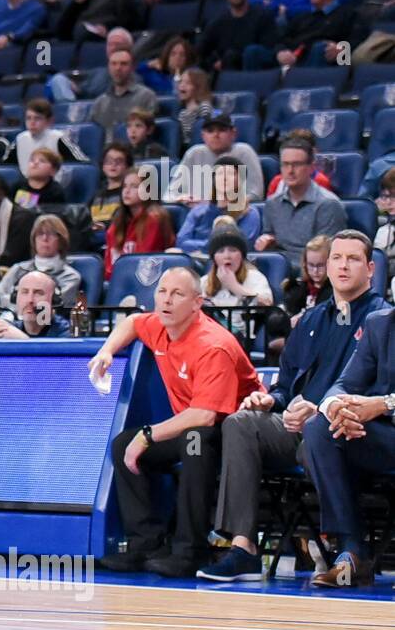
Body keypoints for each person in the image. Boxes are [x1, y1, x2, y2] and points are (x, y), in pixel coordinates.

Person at [202, 231, 388, 582]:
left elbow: (378, 392)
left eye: (352, 259)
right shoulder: (312, 320)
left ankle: (347, 547)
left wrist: (319, 410)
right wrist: (272, 400)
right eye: (336, 258)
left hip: (347, 430)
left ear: (370, 268)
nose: (343, 265)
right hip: (298, 427)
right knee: (241, 423)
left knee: (317, 435)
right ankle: (243, 547)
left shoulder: (381, 319)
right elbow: (287, 385)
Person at [92, 266, 262, 576]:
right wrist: (107, 350)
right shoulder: (160, 324)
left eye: (177, 294)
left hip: (237, 434)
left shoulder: (213, 344)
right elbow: (131, 322)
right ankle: (145, 544)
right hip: (192, 425)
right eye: (162, 292)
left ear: (197, 303)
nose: (166, 300)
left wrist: (147, 434)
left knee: (193, 439)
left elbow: (206, 415)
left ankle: (191, 551)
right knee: (122, 445)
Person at [304, 303, 395, 588]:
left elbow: (379, 404)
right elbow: (344, 383)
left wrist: (383, 404)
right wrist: (336, 408)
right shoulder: (380, 324)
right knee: (320, 428)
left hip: (385, 421)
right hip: (384, 440)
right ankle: (351, 551)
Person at [256, 138, 345, 265]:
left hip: (313, 274)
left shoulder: (328, 204)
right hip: (280, 271)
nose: (290, 171)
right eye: (285, 164)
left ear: (311, 167)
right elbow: (270, 241)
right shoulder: (272, 203)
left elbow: (328, 256)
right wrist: (265, 243)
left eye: (296, 164)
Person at [168, 111, 264, 203]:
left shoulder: (244, 152)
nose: (216, 135)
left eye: (222, 130)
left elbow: (256, 193)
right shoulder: (194, 153)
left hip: (236, 212)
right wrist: (182, 198)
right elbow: (170, 194)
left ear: (233, 133)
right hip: (197, 213)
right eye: (210, 131)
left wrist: (227, 204)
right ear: (203, 136)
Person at [0, 214, 83, 311]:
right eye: (40, 234)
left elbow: (54, 305)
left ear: (61, 241)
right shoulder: (18, 269)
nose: (45, 238)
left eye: (51, 234)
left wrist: (15, 300)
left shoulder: (70, 277)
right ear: (34, 240)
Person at [174, 157, 261, 255]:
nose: (224, 178)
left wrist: (198, 249)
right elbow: (181, 241)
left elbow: (242, 245)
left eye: (230, 174)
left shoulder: (249, 213)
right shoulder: (198, 211)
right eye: (220, 174)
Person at [198, 0, 279, 73]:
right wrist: (213, 63)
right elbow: (200, 51)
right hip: (227, 71)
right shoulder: (217, 22)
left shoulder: (263, 16)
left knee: (250, 51)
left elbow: (269, 50)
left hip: (256, 73)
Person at [105, 166, 175, 278]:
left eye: (134, 187)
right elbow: (108, 267)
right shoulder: (117, 222)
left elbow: (144, 264)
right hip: (117, 281)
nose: (127, 191)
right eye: (125, 186)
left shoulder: (154, 219)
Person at [203, 229, 274, 339]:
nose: (227, 256)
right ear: (214, 258)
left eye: (233, 250)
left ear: (242, 255)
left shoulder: (255, 277)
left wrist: (235, 286)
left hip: (241, 340)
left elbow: (267, 303)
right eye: (221, 251)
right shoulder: (204, 282)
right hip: (208, 339)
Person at [10, 98, 88, 177]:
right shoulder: (20, 139)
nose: (32, 122)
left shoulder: (59, 138)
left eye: (37, 118)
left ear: (49, 121)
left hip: (53, 185)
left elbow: (82, 161)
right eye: (28, 118)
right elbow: (4, 164)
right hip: (27, 185)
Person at [89, 48, 160, 131]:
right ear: (108, 67)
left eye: (123, 64)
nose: (118, 68)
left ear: (132, 67)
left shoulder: (147, 97)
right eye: (113, 64)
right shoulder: (99, 103)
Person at [92, 142, 132, 248]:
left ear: (127, 166)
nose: (113, 165)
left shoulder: (129, 193)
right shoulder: (96, 195)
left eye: (118, 162)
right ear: (103, 166)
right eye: (108, 161)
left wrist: (105, 226)